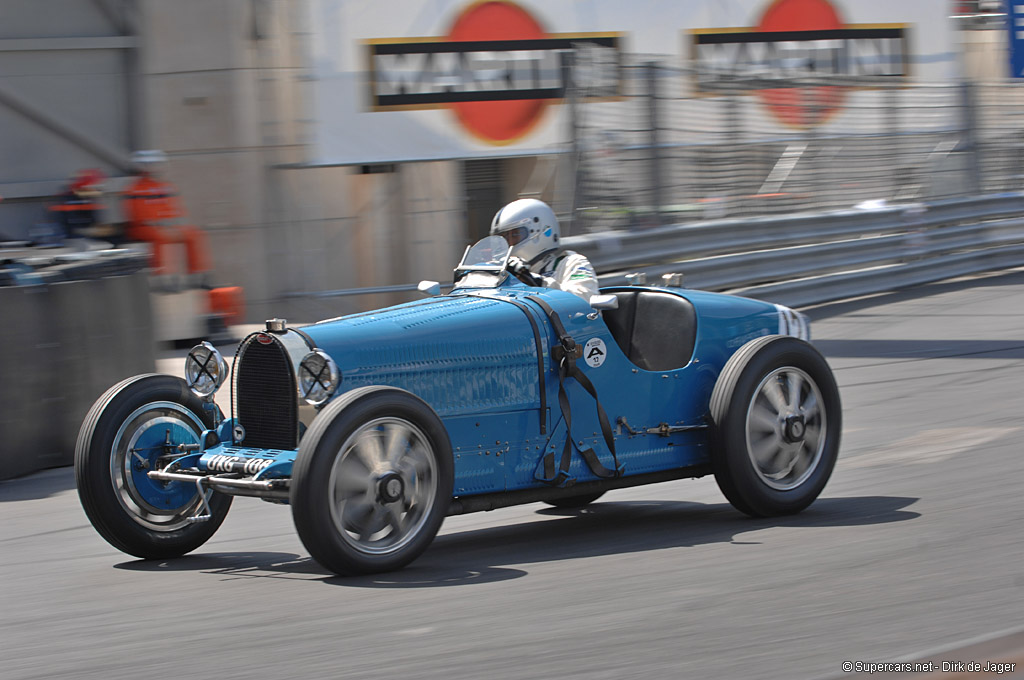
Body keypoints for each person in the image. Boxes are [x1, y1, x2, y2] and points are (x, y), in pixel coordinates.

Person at [489, 198, 599, 301]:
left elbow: (587, 299)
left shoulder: (571, 263)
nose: (507, 243)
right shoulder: (502, 273)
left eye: (514, 235)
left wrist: (539, 283)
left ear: (538, 232)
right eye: (503, 238)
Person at [122, 150, 210, 277]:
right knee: (160, 237)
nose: (153, 169)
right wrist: (161, 225)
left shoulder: (167, 186)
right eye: (149, 165)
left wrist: (171, 225)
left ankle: (199, 274)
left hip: (166, 226)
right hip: (142, 228)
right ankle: (162, 275)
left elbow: (177, 209)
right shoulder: (134, 188)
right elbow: (137, 215)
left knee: (194, 234)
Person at [49, 168, 109, 241]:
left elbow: (96, 221)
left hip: (89, 241)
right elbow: (65, 227)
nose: (97, 190)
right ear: (84, 187)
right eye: (94, 186)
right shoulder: (66, 201)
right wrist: (90, 231)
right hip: (72, 242)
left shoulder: (90, 200)